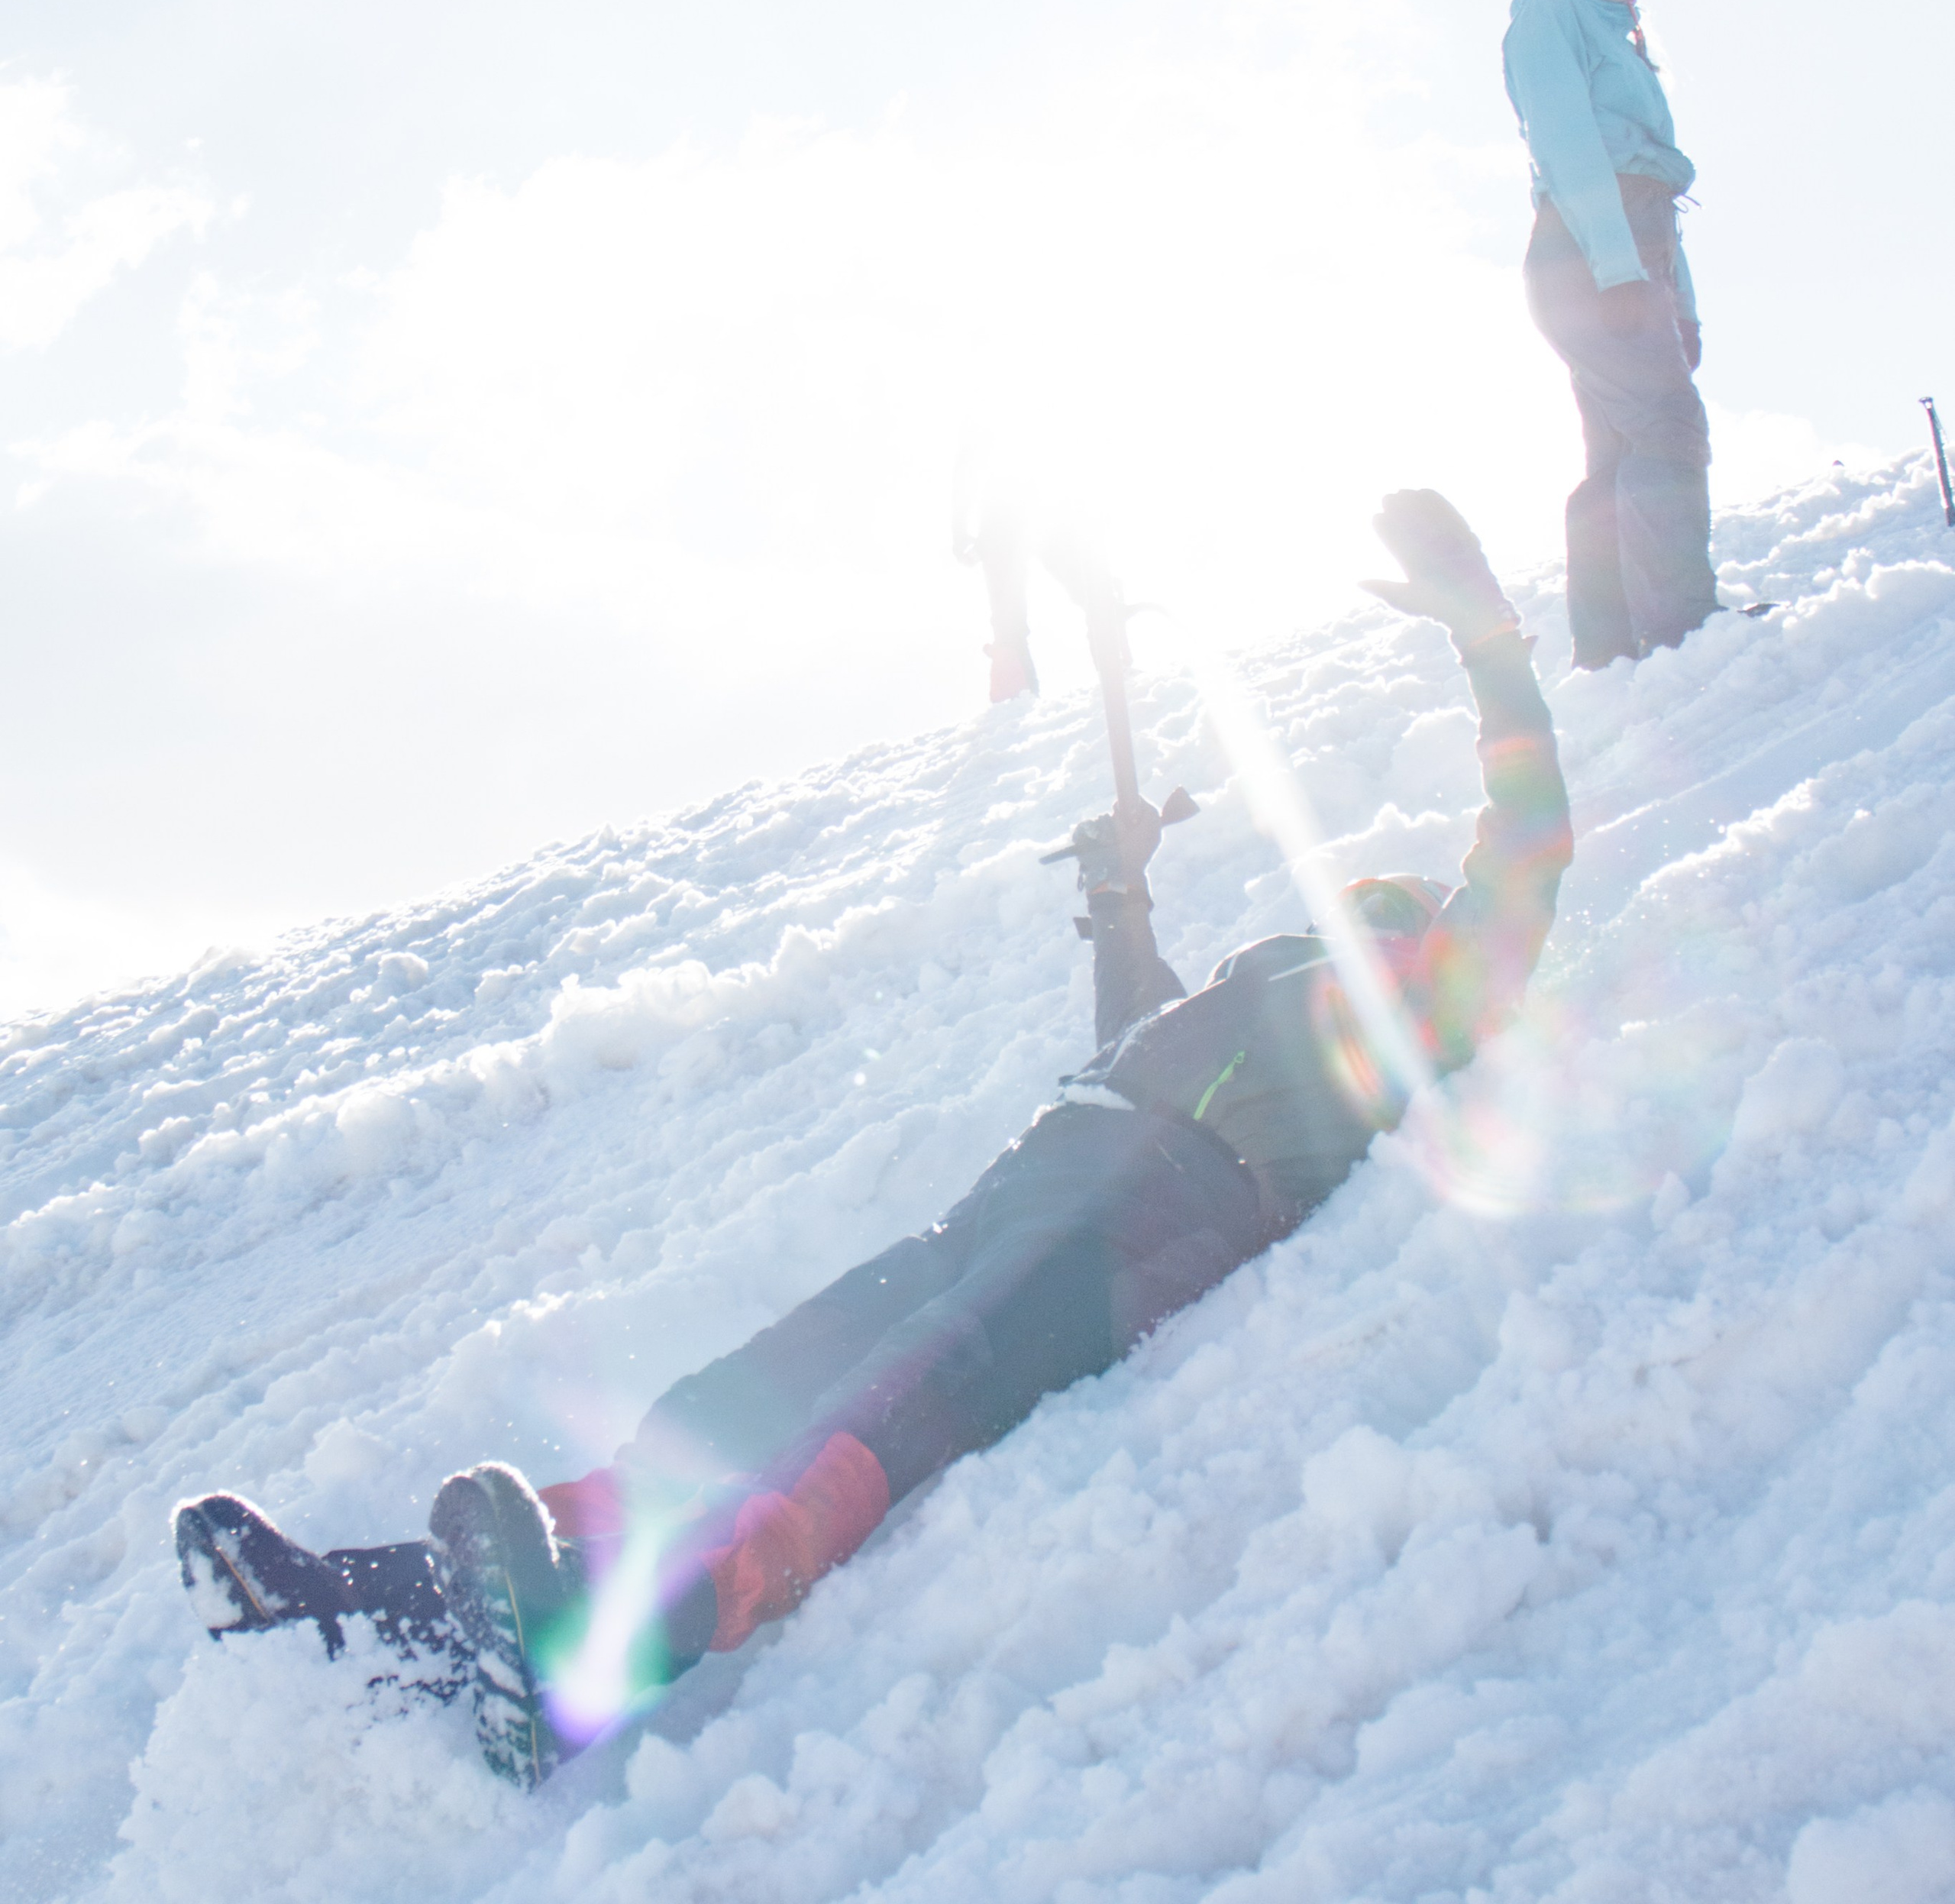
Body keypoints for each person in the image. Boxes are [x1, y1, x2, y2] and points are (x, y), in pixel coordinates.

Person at [172, 494, 1572, 1790]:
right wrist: (1122, 902)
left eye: (1397, 911)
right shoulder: (1272, 995)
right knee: (731, 1401)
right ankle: (375, 1608)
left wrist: (1489, 641)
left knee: (873, 1421)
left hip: (1142, 1226)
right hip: (1033, 1185)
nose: (1369, 919)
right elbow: (1135, 1041)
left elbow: (1531, 850)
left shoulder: (1425, 1008)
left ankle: (595, 1671)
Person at [1504, 0, 1716, 668]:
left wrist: (1681, 304)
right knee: (1665, 426)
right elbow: (1570, 146)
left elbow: (1657, 181)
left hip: (1628, 243)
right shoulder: (1547, 11)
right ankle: (1681, 626)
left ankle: (1609, 643)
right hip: (1589, 244)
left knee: (1621, 448)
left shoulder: (1620, 36)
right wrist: (1620, 268)